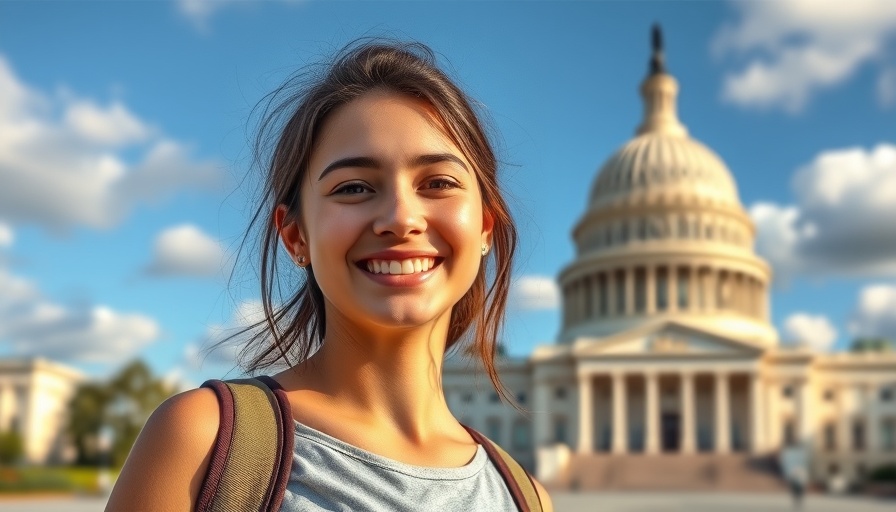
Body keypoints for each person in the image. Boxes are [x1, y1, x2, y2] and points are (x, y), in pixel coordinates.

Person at [106, 40, 553, 511]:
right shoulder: (203, 442)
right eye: (354, 187)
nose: (401, 218)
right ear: (296, 235)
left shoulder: (525, 498)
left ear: (485, 226)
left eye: (438, 183)